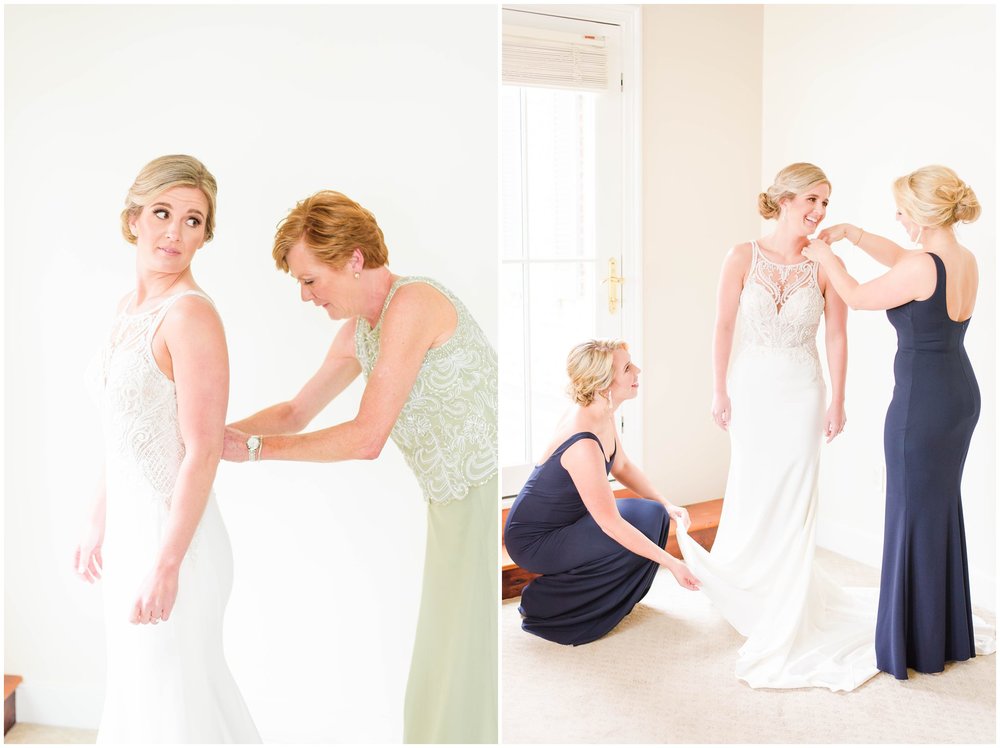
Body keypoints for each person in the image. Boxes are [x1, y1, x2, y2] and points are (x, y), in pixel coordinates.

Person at [221, 190, 497, 744]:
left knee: (465, 650)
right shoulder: (360, 330)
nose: (304, 296)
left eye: (310, 279)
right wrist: (214, 435)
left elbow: (368, 436)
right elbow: (295, 412)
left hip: (482, 494)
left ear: (353, 259)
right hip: (449, 500)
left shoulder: (414, 303)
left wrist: (253, 452)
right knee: (447, 653)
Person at [75, 155, 260, 742]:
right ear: (134, 219)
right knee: (140, 692)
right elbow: (123, 432)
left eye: (193, 220)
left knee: (177, 696)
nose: (175, 233)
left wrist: (167, 563)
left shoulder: (191, 316)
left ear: (207, 234)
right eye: (162, 213)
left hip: (175, 540)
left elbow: (202, 449)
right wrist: (96, 519)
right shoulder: (126, 311)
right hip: (130, 536)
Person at [676, 162, 879, 691]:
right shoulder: (741, 254)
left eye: (826, 204)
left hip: (803, 391)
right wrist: (718, 388)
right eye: (812, 200)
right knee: (752, 487)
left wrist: (839, 397)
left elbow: (837, 334)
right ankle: (747, 588)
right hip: (752, 388)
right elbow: (722, 324)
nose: (818, 212)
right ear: (784, 199)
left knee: (795, 494)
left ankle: (785, 601)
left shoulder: (823, 262)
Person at [804, 164, 996, 678]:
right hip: (959, 396)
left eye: (904, 213)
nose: (899, 220)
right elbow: (909, 262)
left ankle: (914, 645)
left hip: (921, 405)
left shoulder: (921, 266)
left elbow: (861, 297)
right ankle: (943, 632)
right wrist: (855, 235)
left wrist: (826, 254)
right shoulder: (962, 257)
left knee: (910, 512)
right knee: (936, 511)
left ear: (925, 215)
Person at [504, 339, 700, 646]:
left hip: (569, 521)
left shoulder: (603, 410)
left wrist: (666, 502)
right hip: (536, 540)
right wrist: (672, 563)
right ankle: (546, 604)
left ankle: (609, 603)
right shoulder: (582, 441)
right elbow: (611, 523)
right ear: (603, 384)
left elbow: (621, 465)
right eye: (627, 368)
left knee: (655, 515)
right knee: (632, 534)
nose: (637, 370)